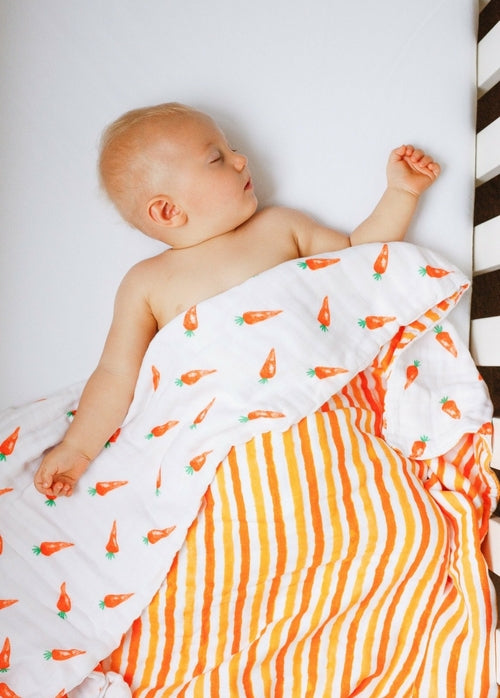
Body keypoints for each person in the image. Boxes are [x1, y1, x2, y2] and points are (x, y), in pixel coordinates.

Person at [34, 102, 440, 497]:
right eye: (218, 158)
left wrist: (401, 192)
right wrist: (78, 448)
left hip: (322, 407)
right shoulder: (146, 283)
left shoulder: (280, 226)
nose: (242, 159)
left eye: (231, 149)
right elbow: (116, 374)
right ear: (168, 210)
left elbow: (360, 260)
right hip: (228, 441)